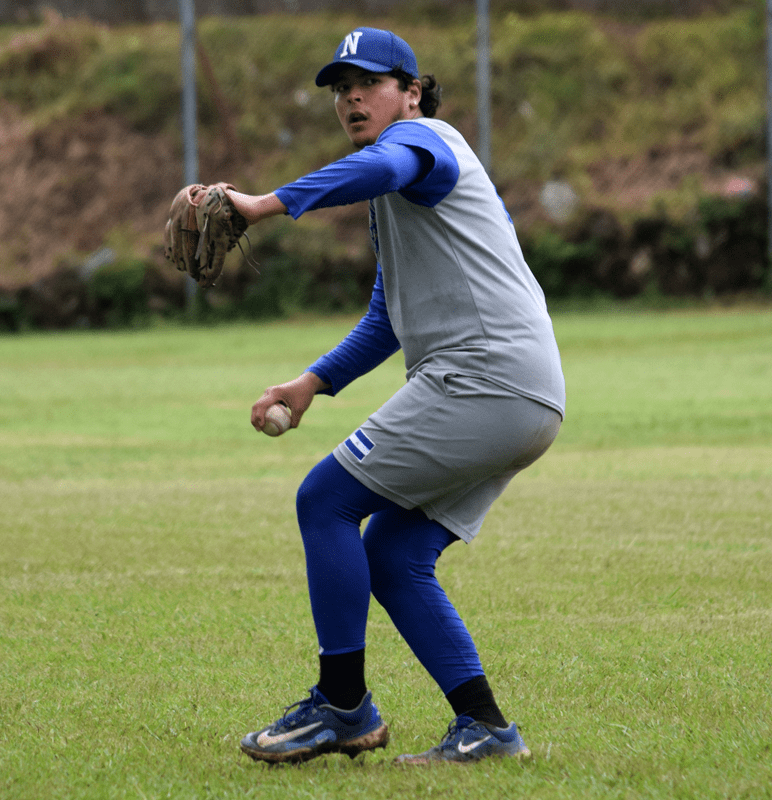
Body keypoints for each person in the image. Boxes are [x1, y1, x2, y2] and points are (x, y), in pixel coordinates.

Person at [216, 27, 566, 765]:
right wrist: (311, 383)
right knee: (395, 552)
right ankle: (486, 728)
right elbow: (388, 318)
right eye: (341, 87)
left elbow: (386, 162)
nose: (350, 97)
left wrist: (261, 206)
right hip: (520, 393)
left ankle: (342, 707)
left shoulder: (427, 143)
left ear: (411, 91)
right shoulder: (396, 192)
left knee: (325, 500)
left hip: (486, 381)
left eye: (368, 83)